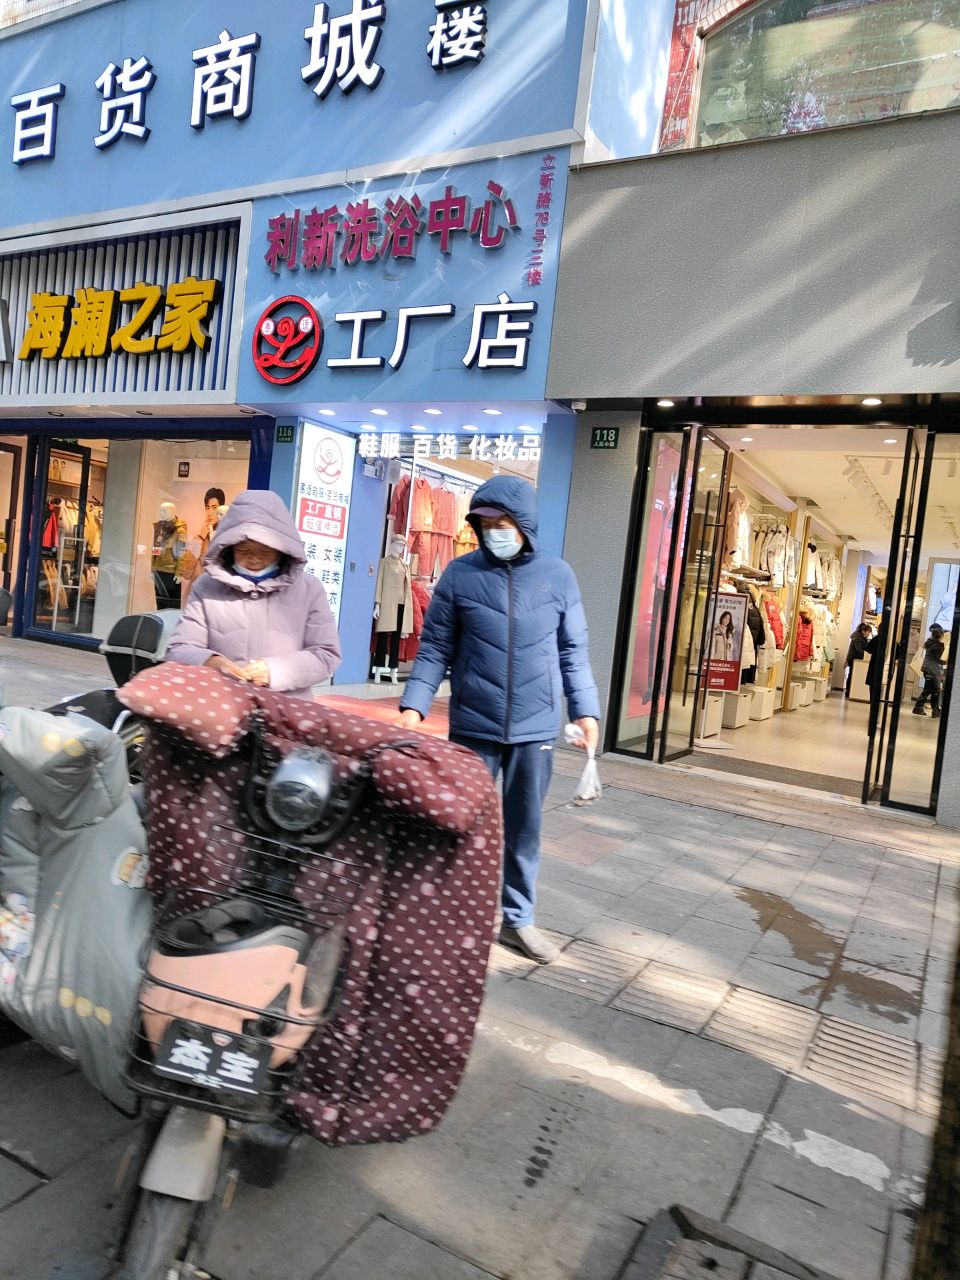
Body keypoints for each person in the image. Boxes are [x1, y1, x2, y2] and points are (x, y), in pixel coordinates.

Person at [398, 476, 600, 965]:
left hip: (536, 728)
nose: (493, 532)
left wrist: (586, 709)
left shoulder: (558, 576)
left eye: (502, 523)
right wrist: (414, 705)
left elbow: (572, 651)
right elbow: (436, 647)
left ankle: (518, 919)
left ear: (524, 524)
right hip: (474, 725)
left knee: (525, 829)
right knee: (458, 823)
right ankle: (449, 916)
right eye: (484, 524)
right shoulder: (459, 575)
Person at [166, 489, 340, 697]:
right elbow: (179, 648)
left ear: (282, 549)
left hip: (284, 711)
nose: (254, 558)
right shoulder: (207, 587)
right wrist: (209, 661)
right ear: (229, 547)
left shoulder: (309, 590)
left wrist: (276, 671)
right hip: (222, 706)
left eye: (265, 551)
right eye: (244, 550)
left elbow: (325, 654)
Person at [181, 486, 227, 605]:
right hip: (197, 599)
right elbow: (186, 571)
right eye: (207, 507)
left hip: (217, 599)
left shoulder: (227, 539)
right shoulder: (199, 538)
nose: (210, 513)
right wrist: (200, 537)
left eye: (214, 507)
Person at [914, 624, 945, 718]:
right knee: (933, 690)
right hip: (933, 670)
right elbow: (940, 659)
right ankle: (924, 708)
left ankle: (934, 710)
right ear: (940, 635)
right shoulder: (938, 646)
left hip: (927, 669)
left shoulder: (929, 642)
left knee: (932, 689)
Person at [845, 622, 872, 697]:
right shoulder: (858, 638)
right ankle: (848, 691)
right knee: (852, 675)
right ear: (863, 631)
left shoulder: (859, 637)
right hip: (854, 659)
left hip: (853, 658)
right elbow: (858, 649)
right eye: (868, 632)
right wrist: (865, 654)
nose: (869, 634)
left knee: (851, 675)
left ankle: (849, 691)